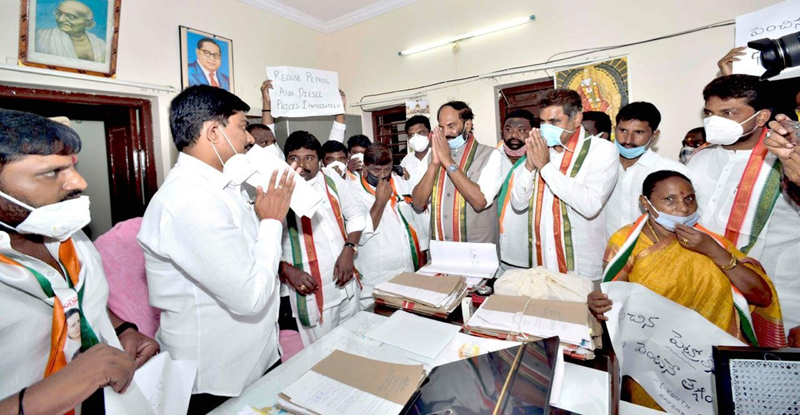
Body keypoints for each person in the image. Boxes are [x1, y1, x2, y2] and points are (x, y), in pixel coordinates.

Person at [137, 85, 295, 413]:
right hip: (218, 379)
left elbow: (250, 260)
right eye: (241, 127)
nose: (250, 138)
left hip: (256, 360)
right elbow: (249, 297)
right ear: (213, 132)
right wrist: (272, 222)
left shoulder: (223, 186)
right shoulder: (187, 200)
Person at [0, 109, 158, 414]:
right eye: (51, 172)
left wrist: (124, 329)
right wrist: (44, 396)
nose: (79, 182)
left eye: (73, 167)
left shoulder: (66, 233)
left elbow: (72, 296)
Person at [589, 170, 785, 410]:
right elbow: (613, 299)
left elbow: (762, 296)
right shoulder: (627, 242)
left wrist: (713, 252)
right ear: (645, 203)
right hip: (653, 367)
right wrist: (598, 303)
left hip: (708, 364)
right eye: (669, 200)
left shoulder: (712, 241)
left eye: (689, 199)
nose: (682, 208)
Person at [687, 74, 800, 347]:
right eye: (710, 113)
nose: (715, 122)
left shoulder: (788, 160)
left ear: (761, 118)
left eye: (728, 113)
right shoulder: (699, 158)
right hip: (708, 294)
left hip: (781, 302)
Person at [510, 89, 618, 281]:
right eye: (542, 122)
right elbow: (518, 204)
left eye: (554, 122)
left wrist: (544, 167)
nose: (546, 128)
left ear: (576, 119)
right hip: (541, 263)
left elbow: (590, 205)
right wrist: (529, 165)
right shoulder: (540, 149)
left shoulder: (601, 150)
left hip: (580, 268)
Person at [279, 131, 361, 346]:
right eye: (294, 158)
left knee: (354, 343)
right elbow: (259, 241)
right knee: (322, 355)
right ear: (285, 160)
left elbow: (356, 215)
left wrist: (349, 249)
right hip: (312, 288)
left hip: (346, 281)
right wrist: (287, 270)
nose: (302, 164)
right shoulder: (277, 190)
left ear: (319, 159)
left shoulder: (331, 179)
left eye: (309, 157)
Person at [412, 101, 505, 246]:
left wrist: (448, 161)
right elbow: (418, 203)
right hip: (440, 246)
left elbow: (480, 202)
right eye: (441, 127)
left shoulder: (491, 155)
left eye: (451, 126)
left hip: (477, 248)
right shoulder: (432, 156)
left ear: (467, 125)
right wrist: (435, 164)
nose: (445, 133)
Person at [344, 143, 421, 307]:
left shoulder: (399, 181)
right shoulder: (352, 191)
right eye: (376, 171)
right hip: (376, 279)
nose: (382, 175)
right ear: (365, 166)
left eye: (386, 170)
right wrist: (380, 201)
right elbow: (361, 236)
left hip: (407, 271)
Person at [604, 102, 687, 239]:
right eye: (623, 130)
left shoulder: (671, 172)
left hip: (655, 253)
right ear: (615, 129)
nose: (628, 140)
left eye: (638, 132)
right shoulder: (601, 166)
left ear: (654, 135)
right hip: (609, 252)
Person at [497, 109, 537, 271]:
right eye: (508, 129)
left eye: (521, 130)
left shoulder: (541, 160)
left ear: (532, 133)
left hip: (525, 249)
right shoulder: (491, 157)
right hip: (495, 247)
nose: (514, 135)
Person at [35, 0, 106, 62]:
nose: (60, 19)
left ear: (89, 24)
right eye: (59, 13)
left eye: (71, 17)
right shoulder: (40, 36)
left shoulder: (101, 46)